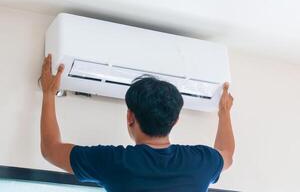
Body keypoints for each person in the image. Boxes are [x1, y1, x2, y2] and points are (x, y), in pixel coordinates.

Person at [40, 54, 235, 192]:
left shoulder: (113, 162)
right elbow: (227, 154)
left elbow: (50, 149)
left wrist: (49, 94)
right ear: (175, 121)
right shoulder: (201, 161)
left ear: (130, 117)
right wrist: (224, 112)